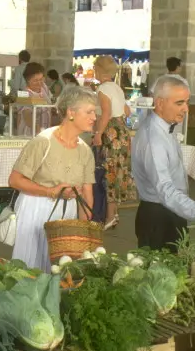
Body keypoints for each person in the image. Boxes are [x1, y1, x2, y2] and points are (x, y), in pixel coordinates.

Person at [132, 75, 195, 250]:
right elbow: (166, 191)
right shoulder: (154, 138)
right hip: (159, 217)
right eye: (179, 103)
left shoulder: (164, 127)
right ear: (160, 103)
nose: (186, 109)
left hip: (170, 212)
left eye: (186, 102)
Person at [8, 86, 97, 272]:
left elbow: (87, 192)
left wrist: (84, 229)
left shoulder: (85, 151)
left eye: (94, 112)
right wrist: (50, 191)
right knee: (30, 270)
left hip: (67, 214)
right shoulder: (43, 141)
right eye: (89, 112)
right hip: (35, 210)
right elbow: (15, 180)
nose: (94, 117)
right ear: (71, 113)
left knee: (61, 272)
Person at [92, 55, 136, 231]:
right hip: (122, 131)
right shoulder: (117, 87)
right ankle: (114, 213)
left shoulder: (102, 89)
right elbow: (127, 111)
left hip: (110, 132)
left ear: (100, 70)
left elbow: (106, 113)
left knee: (108, 172)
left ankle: (109, 216)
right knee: (118, 171)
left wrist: (98, 133)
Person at [14, 62, 53, 137]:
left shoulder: (44, 88)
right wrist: (38, 130)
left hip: (45, 133)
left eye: (41, 79)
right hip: (29, 134)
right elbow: (27, 115)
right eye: (35, 80)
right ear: (27, 80)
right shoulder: (23, 94)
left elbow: (49, 108)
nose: (39, 83)